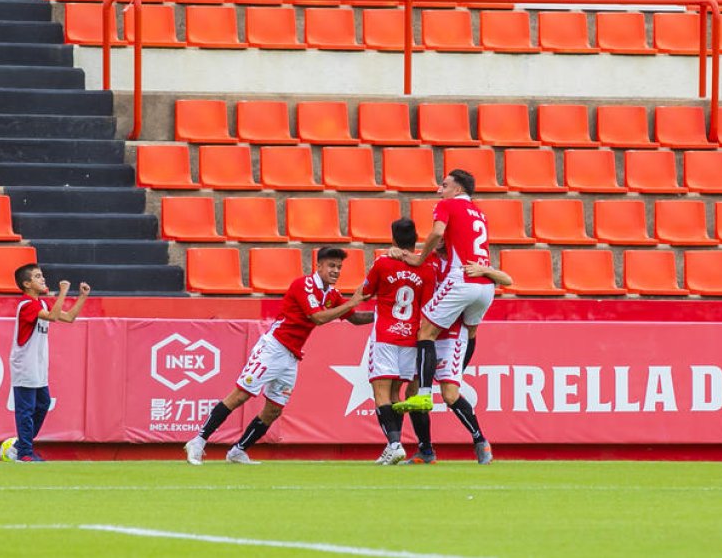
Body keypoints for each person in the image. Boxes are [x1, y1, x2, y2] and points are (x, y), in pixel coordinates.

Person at [185, 247, 371, 465]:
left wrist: (384, 316)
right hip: (273, 348)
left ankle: (238, 450)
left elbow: (356, 319)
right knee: (240, 395)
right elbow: (317, 318)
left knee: (274, 409)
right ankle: (197, 442)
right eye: (331, 265)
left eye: (339, 267)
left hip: (291, 356)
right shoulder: (304, 285)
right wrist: (351, 302)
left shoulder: (332, 294)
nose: (336, 271)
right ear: (318, 266)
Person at [392, 170, 494, 414]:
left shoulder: (447, 205)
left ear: (457, 190)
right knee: (470, 332)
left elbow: (437, 232)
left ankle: (424, 394)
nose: (440, 190)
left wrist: (418, 259)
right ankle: (455, 376)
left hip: (462, 278)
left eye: (444, 185)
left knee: (425, 331)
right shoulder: (480, 214)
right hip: (485, 284)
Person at [402, 257, 513, 466]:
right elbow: (408, 260)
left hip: (451, 337)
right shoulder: (428, 259)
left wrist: (484, 270)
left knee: (450, 395)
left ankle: (481, 441)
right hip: (425, 333)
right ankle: (425, 450)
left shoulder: (465, 265)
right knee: (412, 393)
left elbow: (507, 279)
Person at [353, 219, 437, 466]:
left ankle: (394, 444)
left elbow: (367, 291)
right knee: (396, 393)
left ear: (392, 238)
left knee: (380, 392)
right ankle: (395, 446)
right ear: (416, 239)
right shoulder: (427, 268)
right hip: (411, 337)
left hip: (385, 335)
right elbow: (428, 304)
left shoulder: (383, 263)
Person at [10, 264, 90, 462]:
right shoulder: (27, 304)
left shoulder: (42, 304)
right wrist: (63, 291)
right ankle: (24, 453)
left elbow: (69, 318)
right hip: (25, 365)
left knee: (43, 404)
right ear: (27, 284)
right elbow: (54, 317)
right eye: (38, 276)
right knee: (26, 410)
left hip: (38, 366)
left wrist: (82, 297)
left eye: (42, 275)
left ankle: (21, 445)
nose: (43, 279)